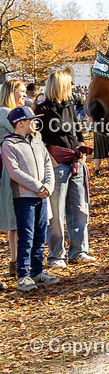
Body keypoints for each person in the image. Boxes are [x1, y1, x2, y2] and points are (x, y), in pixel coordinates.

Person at [34, 70, 95, 267]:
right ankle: (56, 255)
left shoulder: (69, 105)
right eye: (68, 84)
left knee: (79, 208)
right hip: (56, 164)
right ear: (60, 86)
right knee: (56, 212)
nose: (71, 87)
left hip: (75, 161)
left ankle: (78, 250)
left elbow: (77, 130)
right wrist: (48, 158)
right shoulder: (42, 109)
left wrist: (81, 147)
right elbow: (37, 138)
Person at [1, 106, 57, 293]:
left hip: (42, 196)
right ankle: (23, 275)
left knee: (40, 236)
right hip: (25, 197)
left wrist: (48, 187)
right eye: (31, 120)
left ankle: (37, 272)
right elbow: (14, 172)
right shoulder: (9, 144)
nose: (35, 122)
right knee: (27, 236)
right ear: (20, 123)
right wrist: (37, 186)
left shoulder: (37, 142)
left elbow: (48, 164)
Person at [0, 78, 25, 278]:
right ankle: (16, 262)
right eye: (21, 91)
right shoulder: (4, 113)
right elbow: (23, 134)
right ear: (11, 92)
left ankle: (19, 261)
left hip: (21, 168)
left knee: (19, 219)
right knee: (15, 220)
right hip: (9, 170)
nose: (24, 94)